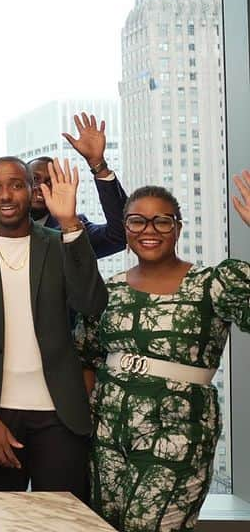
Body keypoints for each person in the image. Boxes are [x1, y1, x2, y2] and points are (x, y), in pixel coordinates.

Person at [76, 174, 250, 531]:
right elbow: (86, 357)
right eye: (137, 220)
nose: (148, 229)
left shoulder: (213, 284)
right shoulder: (109, 291)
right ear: (125, 227)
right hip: (109, 435)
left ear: (178, 227)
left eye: (162, 220)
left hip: (177, 435)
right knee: (107, 525)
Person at [0, 157, 107, 502]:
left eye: (16, 185)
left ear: (32, 191)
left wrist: (71, 224)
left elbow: (92, 303)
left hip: (59, 416)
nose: (6, 195)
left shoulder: (59, 241)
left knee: (64, 523)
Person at [28, 111, 128, 259]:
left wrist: (97, 164)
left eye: (51, 181)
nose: (41, 187)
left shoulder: (74, 228)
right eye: (34, 179)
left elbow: (119, 235)